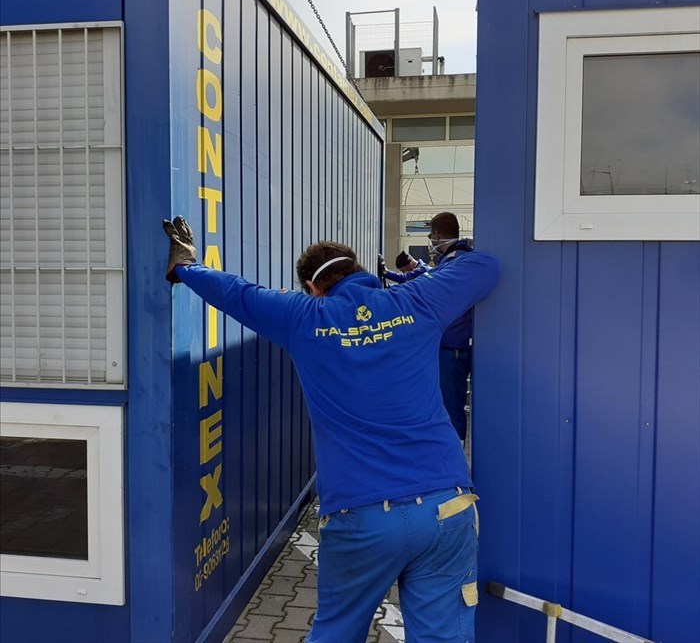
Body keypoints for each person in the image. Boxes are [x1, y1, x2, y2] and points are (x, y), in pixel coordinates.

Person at [163, 216, 499, 643]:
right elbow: (485, 267)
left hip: (361, 514)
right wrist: (453, 249)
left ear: (313, 287)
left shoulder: (304, 318)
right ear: (358, 271)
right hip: (444, 507)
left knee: (337, 633)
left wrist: (187, 267)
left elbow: (238, 294)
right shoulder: (415, 301)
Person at [428, 212, 476, 445]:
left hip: (453, 348)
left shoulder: (457, 261)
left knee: (450, 407)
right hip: (449, 346)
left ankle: (453, 460)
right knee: (446, 405)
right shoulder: (453, 260)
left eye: (431, 234)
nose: (431, 239)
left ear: (437, 234)